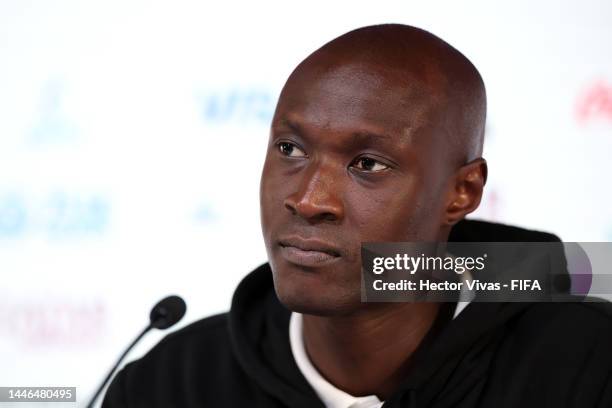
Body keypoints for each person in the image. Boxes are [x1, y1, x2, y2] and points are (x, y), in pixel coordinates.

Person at [102, 24, 612, 408]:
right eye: (290, 148)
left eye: (367, 164)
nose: (307, 200)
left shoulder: (585, 369)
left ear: (461, 192)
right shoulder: (169, 386)